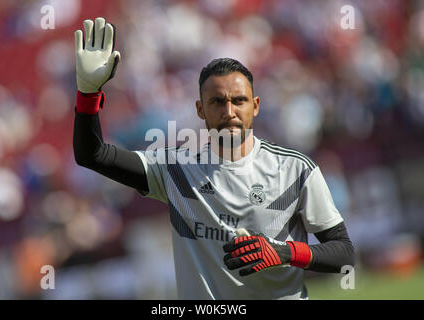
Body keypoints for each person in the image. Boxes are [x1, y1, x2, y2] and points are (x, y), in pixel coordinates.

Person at [73, 17, 354, 299]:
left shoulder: (296, 169)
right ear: (200, 110)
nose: (229, 111)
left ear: (255, 106)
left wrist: (284, 252)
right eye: (217, 102)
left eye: (239, 100)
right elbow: (93, 155)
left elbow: (343, 254)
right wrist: (88, 93)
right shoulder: (176, 169)